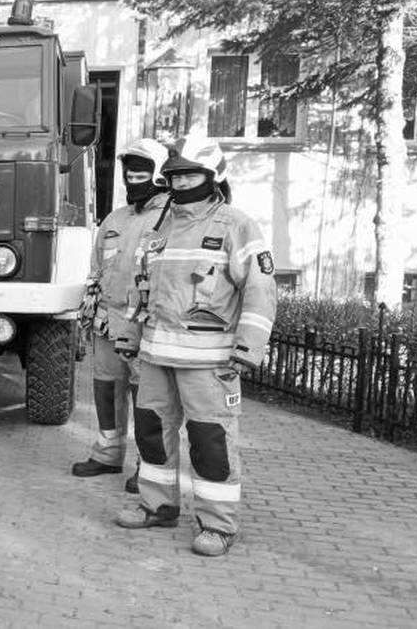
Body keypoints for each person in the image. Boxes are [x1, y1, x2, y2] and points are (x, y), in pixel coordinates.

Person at [113, 136, 277, 557]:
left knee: (210, 443)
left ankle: (218, 526)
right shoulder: (159, 228)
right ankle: (157, 505)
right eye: (176, 176)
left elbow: (260, 290)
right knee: (152, 435)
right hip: (154, 356)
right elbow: (141, 289)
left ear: (214, 176)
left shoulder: (236, 225)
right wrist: (130, 337)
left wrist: (248, 348)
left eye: (192, 175)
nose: (183, 182)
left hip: (209, 364)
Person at [72, 139, 169, 493]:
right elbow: (97, 271)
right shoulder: (114, 220)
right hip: (107, 326)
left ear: (159, 175)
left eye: (141, 173)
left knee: (147, 400)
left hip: (145, 328)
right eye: (129, 174)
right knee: (106, 391)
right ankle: (108, 453)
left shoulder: (169, 219)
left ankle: (149, 466)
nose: (133, 180)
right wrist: (90, 313)